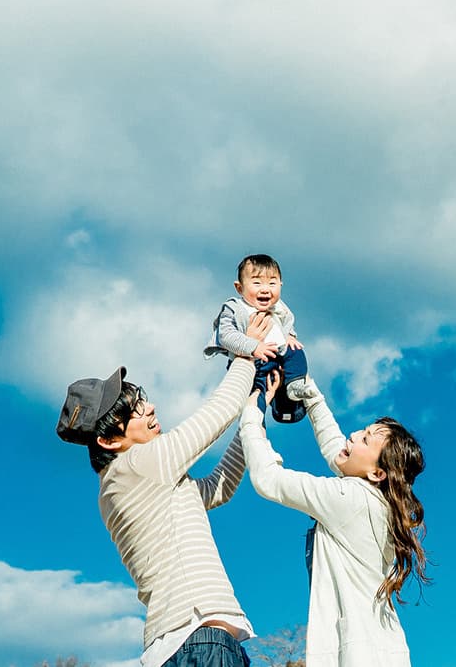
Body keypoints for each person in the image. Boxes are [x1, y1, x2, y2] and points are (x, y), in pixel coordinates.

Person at [57, 314, 280, 667]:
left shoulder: (124, 484)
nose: (150, 408)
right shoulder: (138, 465)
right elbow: (216, 414)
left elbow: (217, 488)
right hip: (200, 641)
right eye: (134, 410)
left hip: (179, 646)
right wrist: (246, 353)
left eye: (141, 399)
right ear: (108, 440)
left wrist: (253, 414)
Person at [238, 369, 430, 667]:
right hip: (378, 651)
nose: (353, 435)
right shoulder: (373, 500)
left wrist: (251, 415)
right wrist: (309, 393)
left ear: (377, 473)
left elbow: (269, 479)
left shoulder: (351, 499)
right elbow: (337, 452)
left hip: (360, 655)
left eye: (365, 439)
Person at [205, 253, 315, 424]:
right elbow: (225, 336)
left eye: (272, 283)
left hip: (277, 354)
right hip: (252, 362)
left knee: (296, 351)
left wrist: (291, 335)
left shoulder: (278, 307)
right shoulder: (235, 308)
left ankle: (294, 386)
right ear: (239, 288)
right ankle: (255, 424)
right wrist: (254, 346)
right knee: (256, 396)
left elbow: (287, 321)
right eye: (256, 283)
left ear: (280, 285)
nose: (265, 289)